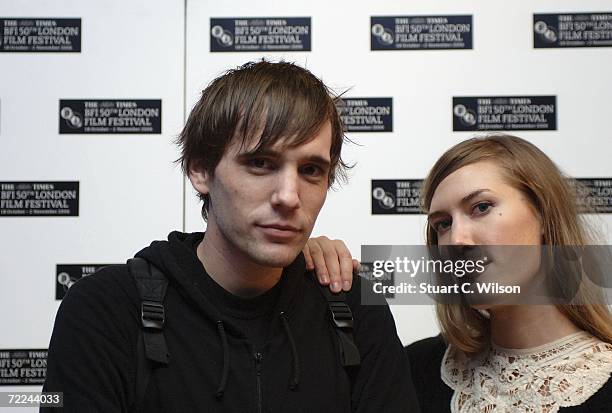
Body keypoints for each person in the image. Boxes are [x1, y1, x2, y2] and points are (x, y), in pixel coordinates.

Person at [42, 60, 419, 412]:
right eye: (260, 163)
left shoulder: (353, 306)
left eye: (310, 170)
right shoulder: (107, 310)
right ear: (201, 170)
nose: (288, 196)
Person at [307, 135, 612, 412]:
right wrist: (300, 264)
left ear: (544, 213)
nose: (456, 240)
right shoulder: (413, 368)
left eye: (481, 207)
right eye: (443, 224)